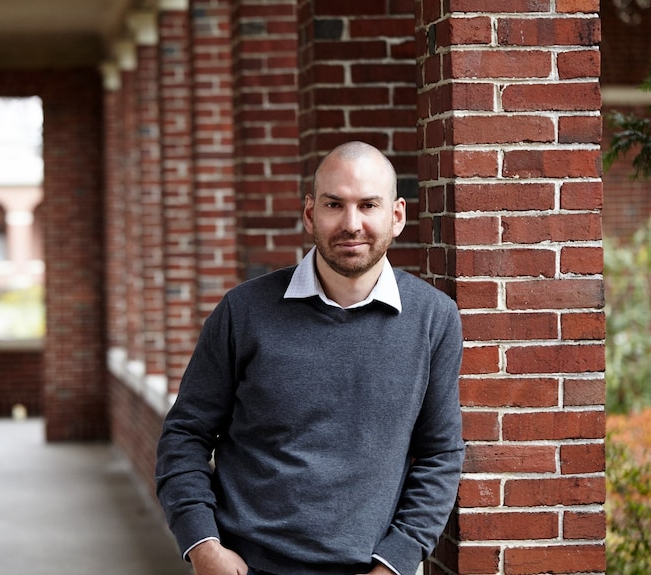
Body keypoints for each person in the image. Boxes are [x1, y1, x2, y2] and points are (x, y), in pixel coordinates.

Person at [155, 141, 465, 575]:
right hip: (248, 565)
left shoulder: (434, 318)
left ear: (396, 216)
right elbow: (185, 435)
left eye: (368, 205)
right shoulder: (243, 311)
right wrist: (202, 544)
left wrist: (396, 560)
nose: (351, 223)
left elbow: (440, 453)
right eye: (334, 204)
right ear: (309, 214)